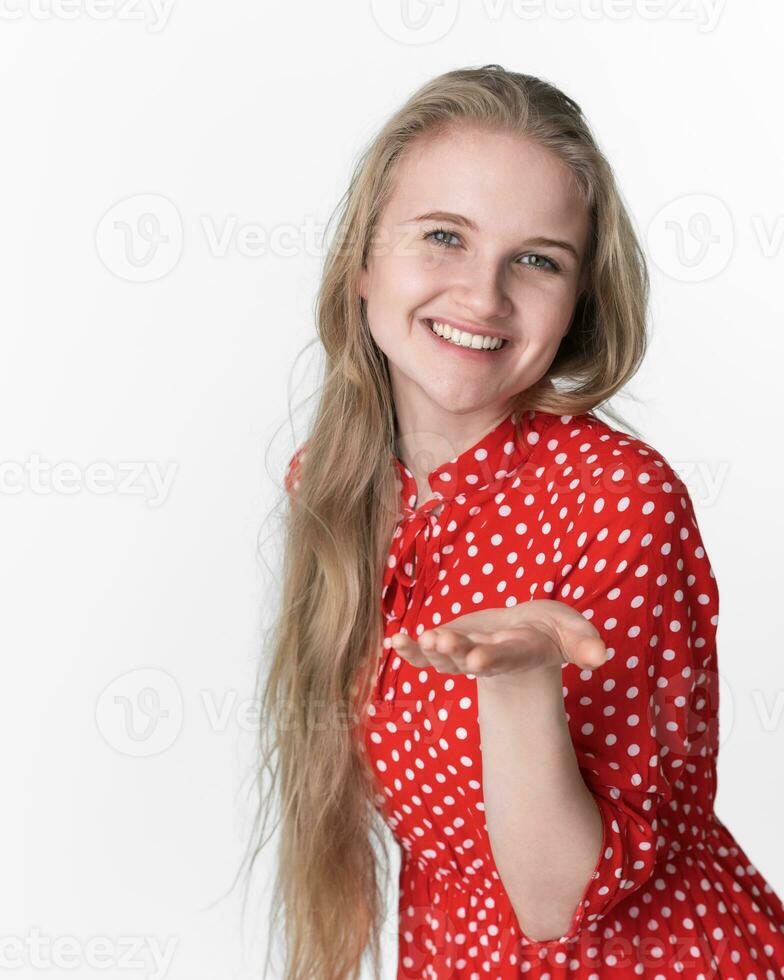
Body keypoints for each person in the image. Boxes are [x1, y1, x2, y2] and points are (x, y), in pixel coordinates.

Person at [245, 65, 784, 979]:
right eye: (444, 236)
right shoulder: (339, 482)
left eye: (537, 259)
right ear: (364, 263)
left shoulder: (617, 499)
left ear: (577, 304)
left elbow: (558, 902)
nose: (484, 296)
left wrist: (522, 682)